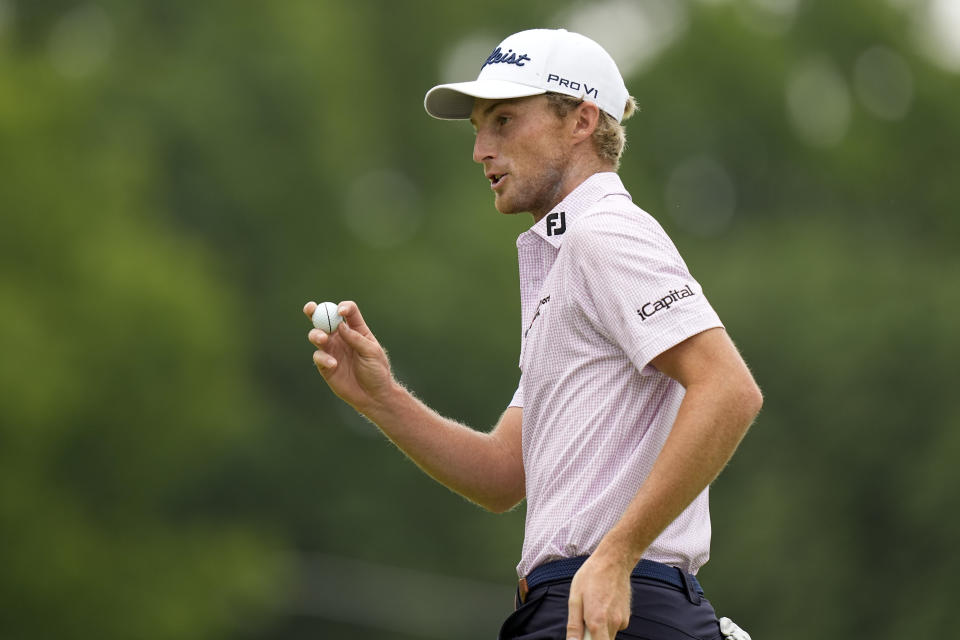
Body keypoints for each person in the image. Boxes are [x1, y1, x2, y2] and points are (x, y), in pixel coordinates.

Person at [304, 28, 762, 640]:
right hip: (574, 604)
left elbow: (729, 389)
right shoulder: (567, 257)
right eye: (477, 128)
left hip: (615, 603)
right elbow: (502, 476)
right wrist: (380, 398)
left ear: (581, 120)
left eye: (503, 121)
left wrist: (616, 556)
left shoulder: (604, 233)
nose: (480, 150)